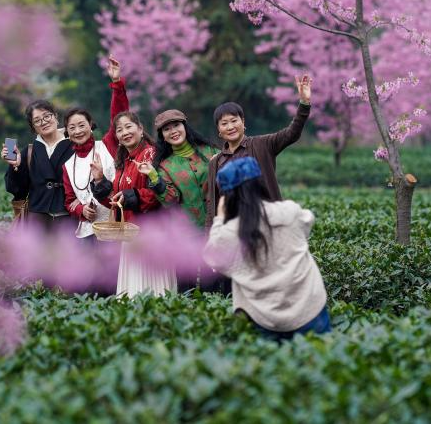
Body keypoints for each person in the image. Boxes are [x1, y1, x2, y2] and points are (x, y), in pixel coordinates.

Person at [203, 156, 330, 341]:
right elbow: (307, 220)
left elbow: (213, 257)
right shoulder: (288, 212)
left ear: (227, 197)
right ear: (260, 184)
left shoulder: (230, 232)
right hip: (308, 308)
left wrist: (220, 219)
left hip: (261, 317)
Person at [205, 74, 313, 224]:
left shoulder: (263, 144)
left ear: (243, 122)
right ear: (219, 130)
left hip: (268, 222)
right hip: (233, 228)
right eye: (224, 123)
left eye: (234, 121)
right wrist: (211, 233)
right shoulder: (216, 162)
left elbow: (292, 133)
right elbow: (213, 204)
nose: (230, 127)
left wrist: (304, 103)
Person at [92, 111, 176, 296]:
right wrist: (99, 180)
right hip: (131, 234)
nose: (124, 132)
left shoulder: (152, 154)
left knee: (153, 291)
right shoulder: (124, 162)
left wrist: (131, 196)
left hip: (153, 232)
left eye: (128, 127)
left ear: (140, 129)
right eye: (119, 130)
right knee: (134, 292)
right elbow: (116, 201)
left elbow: (159, 193)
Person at [135, 109, 219, 291]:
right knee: (187, 285)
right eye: (166, 129)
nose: (173, 131)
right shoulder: (165, 166)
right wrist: (153, 176)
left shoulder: (210, 151)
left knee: (214, 282)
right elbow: (170, 199)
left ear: (185, 127)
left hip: (217, 226)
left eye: (176, 125)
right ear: (162, 136)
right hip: (187, 232)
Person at [62, 56, 129, 240]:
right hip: (87, 233)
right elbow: (69, 201)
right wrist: (81, 210)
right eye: (72, 127)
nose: (78, 131)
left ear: (91, 125)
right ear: (67, 132)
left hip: (114, 226)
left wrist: (117, 83)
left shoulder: (107, 144)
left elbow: (119, 117)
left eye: (81, 125)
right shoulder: (67, 165)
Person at [1, 99, 74, 233]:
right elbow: (16, 190)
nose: (44, 122)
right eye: (37, 120)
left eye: (47, 116)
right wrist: (15, 166)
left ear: (55, 116)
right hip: (37, 220)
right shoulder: (29, 151)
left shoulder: (75, 144)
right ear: (33, 127)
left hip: (69, 219)